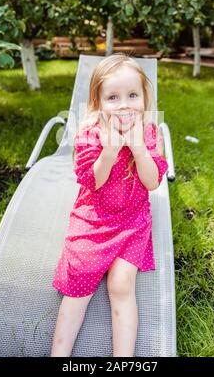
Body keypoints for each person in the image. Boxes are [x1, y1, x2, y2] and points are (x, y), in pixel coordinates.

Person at [50, 53, 168, 357]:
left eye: (132, 95)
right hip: (94, 217)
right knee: (80, 281)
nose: (125, 104)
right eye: (113, 97)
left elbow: (153, 182)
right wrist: (110, 151)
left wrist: (139, 148)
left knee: (121, 284)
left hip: (131, 220)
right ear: (98, 103)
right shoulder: (89, 135)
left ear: (144, 97)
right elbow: (92, 182)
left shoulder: (150, 133)